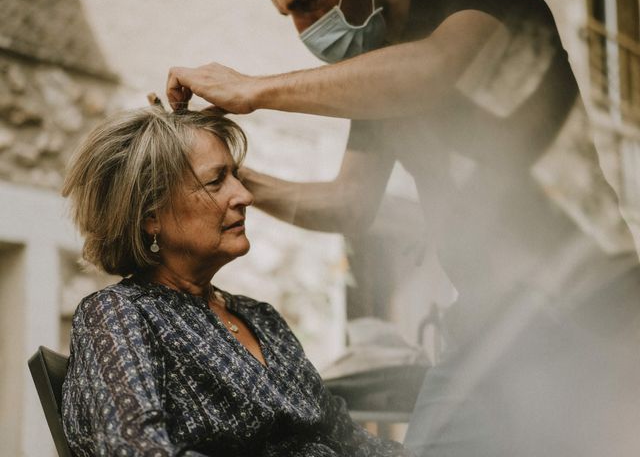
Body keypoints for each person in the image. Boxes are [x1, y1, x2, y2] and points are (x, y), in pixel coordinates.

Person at [165, 0, 640, 455]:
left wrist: (252, 90)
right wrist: (229, 177)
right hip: (481, 319)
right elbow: (349, 203)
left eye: (310, 2)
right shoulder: (380, 70)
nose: (305, 30)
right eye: (290, 15)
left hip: (585, 300)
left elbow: (434, 68)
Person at [60, 106, 411, 457]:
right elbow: (134, 447)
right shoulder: (117, 313)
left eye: (236, 177)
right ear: (151, 217)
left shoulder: (261, 318)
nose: (245, 196)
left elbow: (349, 439)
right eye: (216, 181)